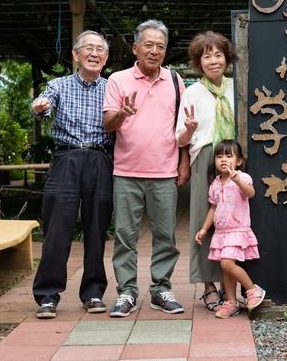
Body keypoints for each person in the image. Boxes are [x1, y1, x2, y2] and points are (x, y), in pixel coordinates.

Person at [103, 19, 190, 317]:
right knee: (125, 236)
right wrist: (122, 114)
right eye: (148, 45)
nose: (154, 51)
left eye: (160, 46)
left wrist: (184, 163)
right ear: (135, 47)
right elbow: (107, 124)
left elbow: (182, 130)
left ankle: (160, 289)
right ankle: (126, 292)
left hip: (164, 172)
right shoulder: (118, 80)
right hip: (126, 172)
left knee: (166, 236)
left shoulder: (176, 82)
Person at [31, 30, 115, 319]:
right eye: (88, 48)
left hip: (100, 158)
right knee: (57, 228)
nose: (94, 53)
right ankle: (47, 296)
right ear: (76, 54)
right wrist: (40, 107)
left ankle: (92, 292)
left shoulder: (112, 87)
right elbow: (44, 103)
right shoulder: (58, 85)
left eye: (100, 49)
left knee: (97, 229)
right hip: (66, 158)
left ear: (106, 58)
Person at [176, 31, 235, 312]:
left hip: (234, 162)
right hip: (205, 160)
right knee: (205, 221)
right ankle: (208, 286)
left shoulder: (238, 87)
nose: (213, 60)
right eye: (206, 55)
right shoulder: (192, 92)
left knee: (233, 221)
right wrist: (187, 130)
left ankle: (229, 281)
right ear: (198, 62)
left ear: (227, 57)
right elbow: (181, 138)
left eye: (218, 54)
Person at [194, 139, 266, 318]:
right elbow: (213, 208)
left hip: (237, 231)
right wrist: (204, 229)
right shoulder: (215, 184)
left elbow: (250, 193)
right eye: (219, 156)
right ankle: (231, 302)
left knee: (227, 264)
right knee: (226, 267)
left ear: (239, 161)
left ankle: (252, 290)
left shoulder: (243, 178)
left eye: (228, 155)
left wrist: (238, 180)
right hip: (221, 233)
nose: (223, 159)